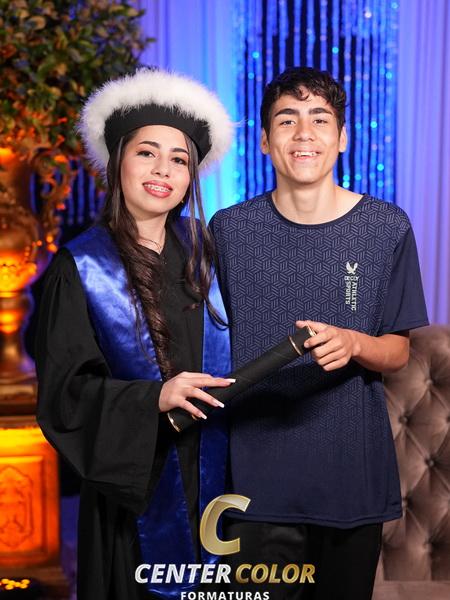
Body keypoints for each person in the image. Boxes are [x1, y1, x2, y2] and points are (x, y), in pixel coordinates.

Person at [210, 66, 428, 600]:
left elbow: (398, 352)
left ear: (343, 137)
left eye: (320, 119)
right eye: (287, 120)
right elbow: (208, 342)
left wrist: (354, 342)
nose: (304, 133)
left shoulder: (386, 227)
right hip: (253, 487)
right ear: (265, 141)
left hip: (350, 480)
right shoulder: (228, 230)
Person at [36, 68, 234, 600]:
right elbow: (64, 397)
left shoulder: (208, 253)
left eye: (179, 160)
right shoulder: (81, 268)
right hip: (134, 495)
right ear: (118, 160)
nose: (163, 169)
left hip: (218, 485)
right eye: (147, 152)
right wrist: (154, 399)